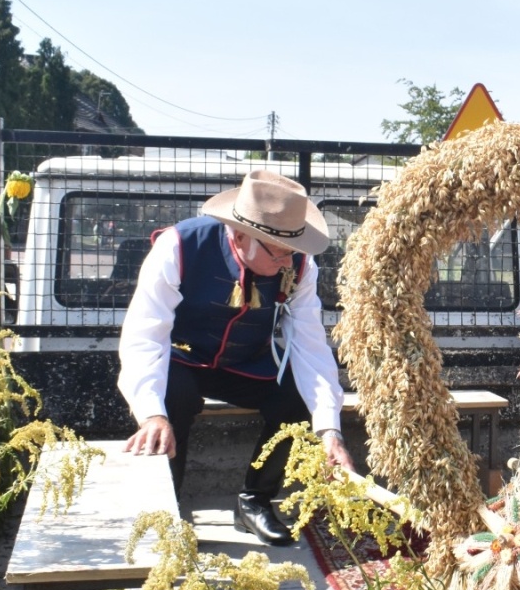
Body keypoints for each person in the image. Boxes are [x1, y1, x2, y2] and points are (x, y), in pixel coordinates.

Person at [118, 170, 355, 545]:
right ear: (240, 235)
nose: (286, 263)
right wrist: (150, 412)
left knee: (296, 398)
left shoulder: (299, 265)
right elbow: (145, 333)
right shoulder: (179, 246)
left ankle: (254, 502)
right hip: (182, 359)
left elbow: (311, 346)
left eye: (290, 251)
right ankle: (167, 511)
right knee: (171, 402)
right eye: (278, 252)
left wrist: (329, 429)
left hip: (246, 363)